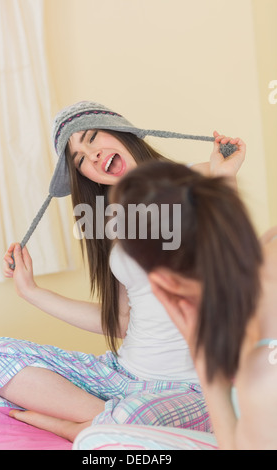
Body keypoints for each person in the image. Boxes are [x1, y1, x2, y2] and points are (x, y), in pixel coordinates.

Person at [0, 100, 242, 443]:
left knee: (131, 415)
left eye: (92, 138)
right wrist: (32, 292)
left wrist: (225, 178)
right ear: (85, 175)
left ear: (122, 132)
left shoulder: (198, 177)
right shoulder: (111, 220)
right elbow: (120, 320)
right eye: (81, 160)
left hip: (189, 386)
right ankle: (105, 420)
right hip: (121, 372)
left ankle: (88, 424)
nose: (93, 157)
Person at [111, 157, 277, 450]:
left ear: (163, 284)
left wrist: (203, 363)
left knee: (98, 444)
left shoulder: (263, 378)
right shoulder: (270, 242)